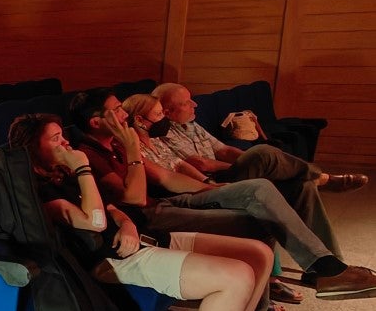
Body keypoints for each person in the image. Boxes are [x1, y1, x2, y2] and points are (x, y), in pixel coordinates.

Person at [10, 113, 290, 311]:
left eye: (62, 135)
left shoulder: (62, 173)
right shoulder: (40, 192)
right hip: (114, 259)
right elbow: (94, 221)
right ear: (32, 148)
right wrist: (82, 167)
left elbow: (111, 207)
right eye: (55, 139)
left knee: (259, 254)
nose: (65, 142)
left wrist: (126, 222)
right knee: (237, 276)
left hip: (141, 236)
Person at [67, 88, 309, 311]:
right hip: (147, 219)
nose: (124, 112)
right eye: (116, 110)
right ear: (96, 122)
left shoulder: (117, 142)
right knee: (256, 223)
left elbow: (166, 177)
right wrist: (133, 150)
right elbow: (134, 199)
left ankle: (278, 287)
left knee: (260, 207)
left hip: (161, 204)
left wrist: (213, 189)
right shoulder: (91, 153)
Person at [121, 93, 376, 301]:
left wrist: (211, 183)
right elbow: (169, 178)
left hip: (202, 185)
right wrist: (215, 187)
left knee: (301, 186)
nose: (194, 104)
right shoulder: (135, 145)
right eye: (158, 114)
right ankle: (323, 185)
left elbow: (182, 166)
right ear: (141, 119)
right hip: (181, 199)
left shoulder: (160, 138)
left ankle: (326, 268)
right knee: (261, 169)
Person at [153, 82, 367, 266]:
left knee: (301, 185)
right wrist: (254, 162)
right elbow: (201, 164)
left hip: (221, 176)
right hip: (206, 186)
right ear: (168, 112)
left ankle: (330, 264)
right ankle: (321, 177)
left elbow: (224, 150)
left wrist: (248, 158)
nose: (194, 104)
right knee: (263, 154)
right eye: (186, 102)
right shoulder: (164, 132)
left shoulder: (191, 125)